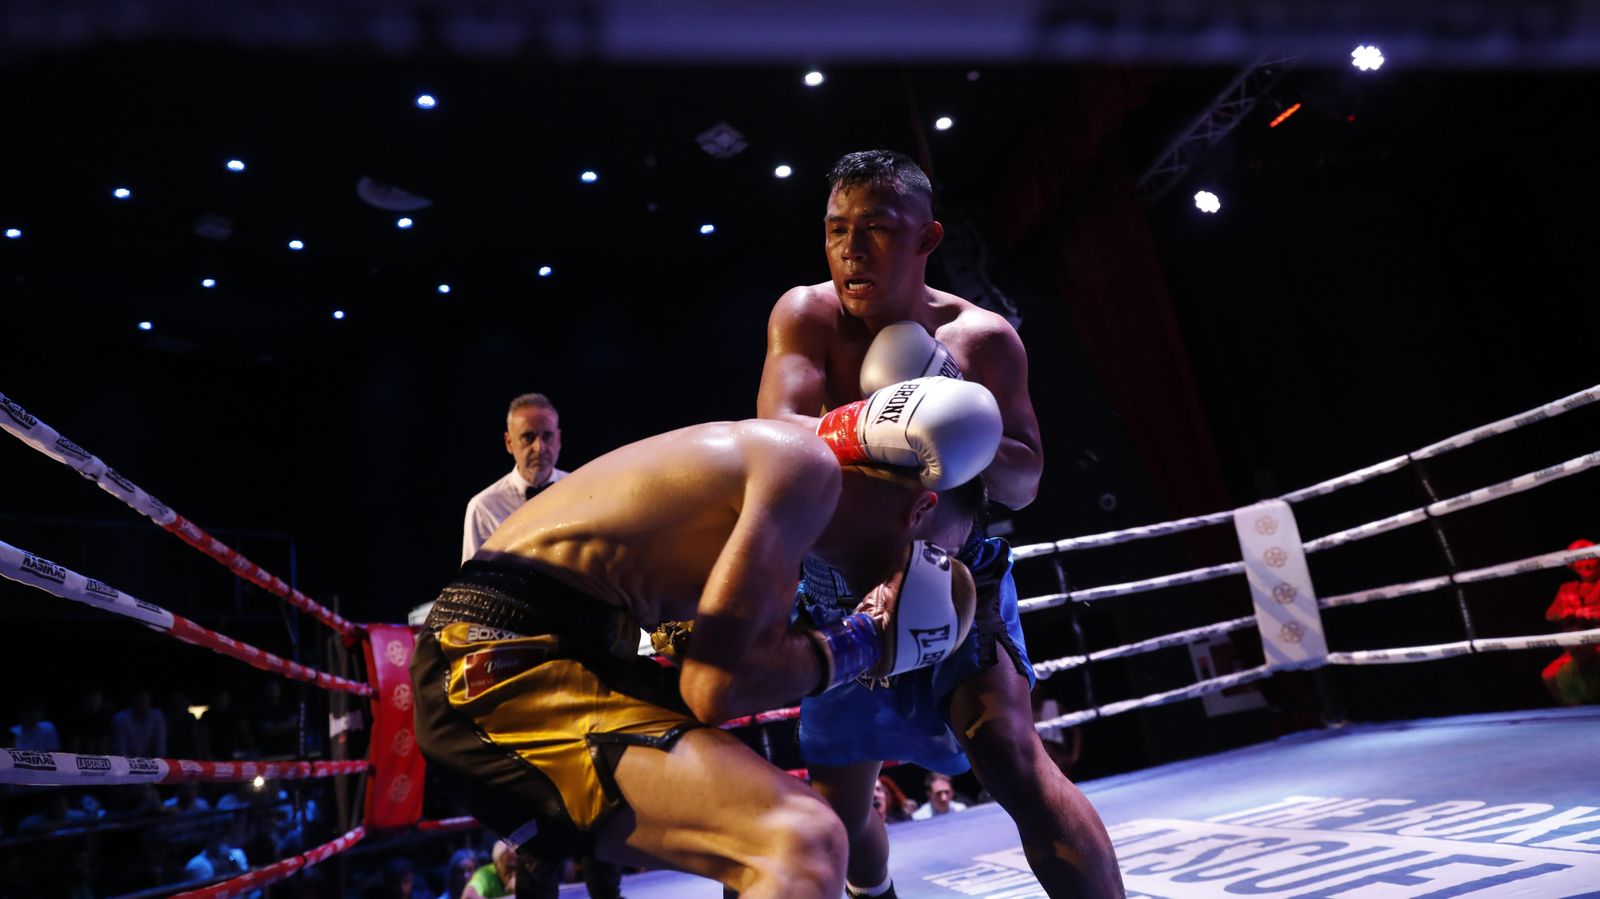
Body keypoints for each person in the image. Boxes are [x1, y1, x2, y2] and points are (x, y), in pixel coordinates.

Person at [412, 387, 995, 899]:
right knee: (801, 839)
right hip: (500, 662)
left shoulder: (782, 480)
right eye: (933, 558)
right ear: (921, 508)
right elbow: (717, 687)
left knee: (761, 836)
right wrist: (864, 640)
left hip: (567, 652)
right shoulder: (804, 468)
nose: (914, 577)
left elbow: (705, 660)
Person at [757, 149, 1123, 898]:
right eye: (835, 230)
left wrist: (957, 411)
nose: (851, 250)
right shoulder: (806, 316)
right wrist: (889, 420)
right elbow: (778, 442)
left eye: (877, 229)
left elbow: (1023, 483)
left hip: (956, 579)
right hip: (838, 594)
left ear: (927, 238)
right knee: (842, 810)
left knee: (1013, 758)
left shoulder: (981, 339)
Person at [461, 393, 568, 564]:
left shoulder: (581, 490)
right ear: (509, 442)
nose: (539, 448)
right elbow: (472, 582)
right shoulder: (484, 507)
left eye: (547, 436)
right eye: (528, 437)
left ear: (559, 439)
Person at [1542, 538, 1600, 706]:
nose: (1584, 563)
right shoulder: (1568, 588)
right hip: (1575, 649)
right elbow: (1549, 615)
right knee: (1549, 675)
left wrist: (1590, 613)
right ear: (1573, 565)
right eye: (1579, 559)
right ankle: (1575, 715)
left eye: (1588, 557)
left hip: (1597, 645)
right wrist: (1563, 611)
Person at [111, 689, 166, 759]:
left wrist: (159, 765)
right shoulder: (121, 718)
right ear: (133, 701)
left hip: (151, 765)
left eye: (145, 700)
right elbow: (120, 750)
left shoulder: (157, 717)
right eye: (139, 700)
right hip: (126, 764)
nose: (142, 703)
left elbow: (160, 748)